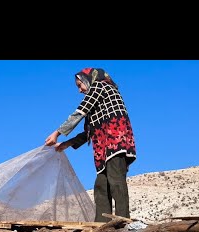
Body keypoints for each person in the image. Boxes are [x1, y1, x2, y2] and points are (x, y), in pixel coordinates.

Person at [45, 67, 137, 222]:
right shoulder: (97, 107)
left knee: (116, 181)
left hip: (115, 142)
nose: (80, 90)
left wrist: (57, 132)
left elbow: (80, 111)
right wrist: (66, 144)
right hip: (103, 148)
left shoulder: (100, 86)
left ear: (88, 80)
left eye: (80, 85)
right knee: (101, 185)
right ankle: (102, 224)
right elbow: (88, 132)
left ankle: (123, 221)